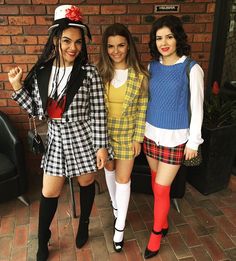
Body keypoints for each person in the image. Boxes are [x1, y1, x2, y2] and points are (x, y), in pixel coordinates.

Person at [8, 5, 112, 261]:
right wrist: (17, 86)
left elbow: (98, 112)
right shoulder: (42, 74)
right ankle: (43, 239)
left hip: (83, 136)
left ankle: (84, 223)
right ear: (55, 39)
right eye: (67, 41)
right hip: (55, 138)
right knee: (49, 191)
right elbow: (35, 110)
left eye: (78, 42)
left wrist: (101, 146)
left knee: (86, 182)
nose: (73, 48)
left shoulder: (89, 73)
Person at [143, 15, 204, 259]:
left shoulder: (192, 68)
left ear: (178, 37)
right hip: (150, 135)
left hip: (176, 139)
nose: (164, 42)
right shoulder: (151, 67)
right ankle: (164, 221)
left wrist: (194, 142)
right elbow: (148, 101)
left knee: (160, 188)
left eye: (169, 36)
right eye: (159, 38)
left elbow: (197, 107)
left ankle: (156, 234)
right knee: (156, 183)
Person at [97, 23, 148, 252]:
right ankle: (117, 207)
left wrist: (138, 138)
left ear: (128, 46)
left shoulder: (140, 76)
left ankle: (119, 228)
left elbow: (141, 110)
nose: (115, 51)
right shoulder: (99, 72)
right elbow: (95, 109)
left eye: (120, 45)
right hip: (105, 135)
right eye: (110, 46)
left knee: (123, 179)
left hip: (128, 136)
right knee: (108, 170)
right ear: (105, 48)